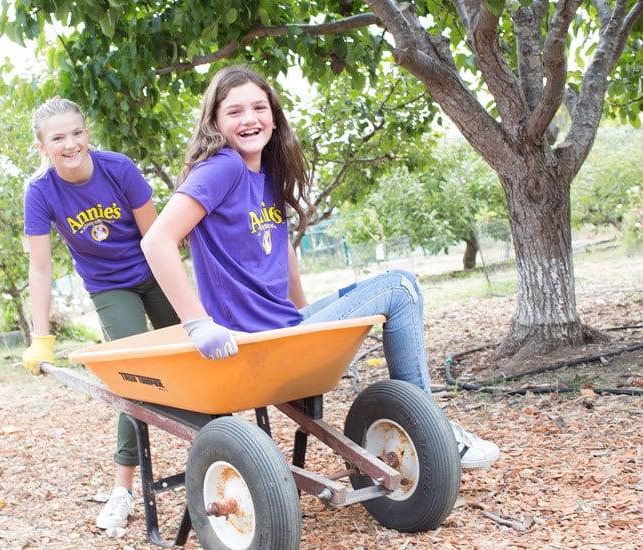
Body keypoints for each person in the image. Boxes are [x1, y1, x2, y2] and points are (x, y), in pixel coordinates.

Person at [141, 66, 499, 469]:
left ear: (274, 117)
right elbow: (156, 241)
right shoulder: (223, 167)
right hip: (254, 337)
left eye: (259, 107)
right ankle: (430, 428)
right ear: (215, 122)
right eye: (234, 111)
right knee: (400, 287)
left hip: (283, 326)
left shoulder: (266, 173)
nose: (249, 119)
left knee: (393, 288)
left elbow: (282, 248)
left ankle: (425, 425)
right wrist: (197, 323)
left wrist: (306, 317)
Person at [21, 97, 179, 529]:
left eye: (77, 132)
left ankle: (233, 450)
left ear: (86, 131)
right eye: (58, 138)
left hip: (154, 270)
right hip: (110, 287)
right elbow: (40, 267)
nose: (71, 144)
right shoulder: (40, 192)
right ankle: (122, 489)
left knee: (197, 353)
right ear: (42, 147)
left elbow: (157, 236)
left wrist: (189, 307)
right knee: (133, 378)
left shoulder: (118, 167)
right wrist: (41, 337)